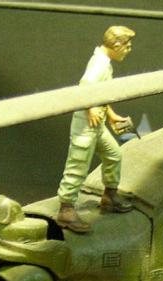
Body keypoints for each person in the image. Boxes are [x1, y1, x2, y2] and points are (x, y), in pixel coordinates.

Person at [56, 25, 136, 234]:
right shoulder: (99, 64)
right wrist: (91, 108)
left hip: (97, 125)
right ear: (116, 45)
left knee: (113, 155)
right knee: (78, 166)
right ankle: (66, 210)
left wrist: (111, 115)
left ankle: (110, 196)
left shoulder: (105, 62)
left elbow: (101, 94)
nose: (129, 49)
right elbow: (85, 86)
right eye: (127, 45)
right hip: (86, 126)